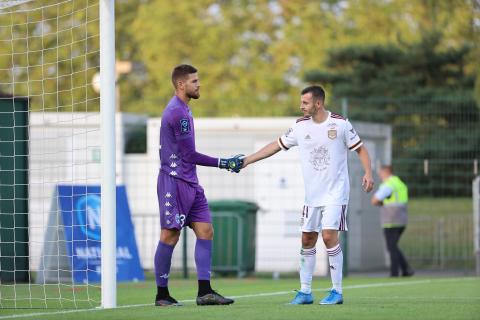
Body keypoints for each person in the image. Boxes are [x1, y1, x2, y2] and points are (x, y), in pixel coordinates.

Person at [242, 85, 374, 305]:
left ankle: (337, 291)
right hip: (312, 196)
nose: (301, 106)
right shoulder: (300, 126)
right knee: (307, 239)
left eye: (305, 102)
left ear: (318, 103)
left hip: (335, 193)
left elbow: (360, 148)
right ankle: (305, 292)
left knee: (329, 236)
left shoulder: (340, 124)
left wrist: (368, 173)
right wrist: (248, 160)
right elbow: (276, 145)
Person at [154, 64, 243, 307]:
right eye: (194, 81)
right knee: (170, 235)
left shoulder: (185, 110)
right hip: (174, 182)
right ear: (181, 84)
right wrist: (224, 162)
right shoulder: (177, 113)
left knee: (206, 231)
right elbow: (189, 155)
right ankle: (162, 294)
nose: (199, 84)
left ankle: (205, 292)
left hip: (191, 183)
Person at [371, 165, 414, 277]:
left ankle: (395, 273)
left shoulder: (388, 185)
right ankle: (406, 270)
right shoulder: (399, 183)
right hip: (402, 220)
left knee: (391, 247)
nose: (380, 176)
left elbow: (375, 200)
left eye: (380, 173)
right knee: (393, 246)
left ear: (386, 172)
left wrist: (381, 203)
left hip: (391, 220)